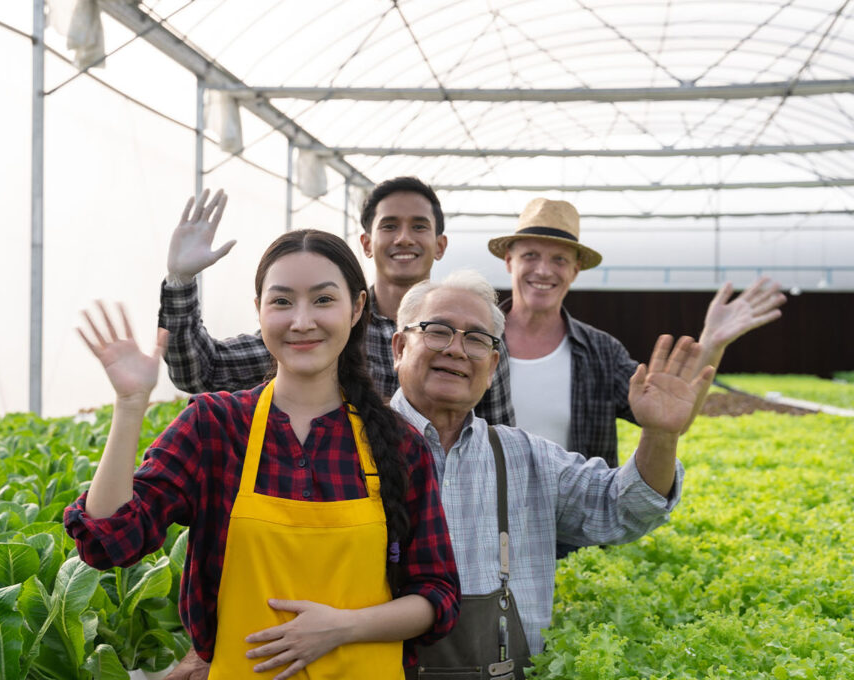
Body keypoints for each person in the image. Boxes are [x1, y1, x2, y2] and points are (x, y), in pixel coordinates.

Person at [65, 229, 459, 679]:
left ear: (357, 308)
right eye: (282, 301)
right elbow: (109, 542)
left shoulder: (399, 444)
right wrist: (130, 405)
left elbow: (438, 594)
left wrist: (343, 627)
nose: (302, 321)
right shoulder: (215, 427)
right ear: (259, 310)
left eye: (323, 300)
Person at [390, 270, 713, 679]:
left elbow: (624, 508)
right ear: (399, 347)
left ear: (491, 367)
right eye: (438, 331)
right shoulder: (351, 448)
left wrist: (661, 434)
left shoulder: (525, 456)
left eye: (476, 340)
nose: (456, 349)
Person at [159, 178, 515, 426]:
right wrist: (180, 280)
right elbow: (200, 370)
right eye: (389, 226)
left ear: (440, 245)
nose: (404, 238)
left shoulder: (471, 338)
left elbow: (495, 433)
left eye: (419, 227)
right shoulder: (326, 330)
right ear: (365, 242)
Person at [488, 197, 786, 468]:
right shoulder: (477, 342)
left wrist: (712, 342)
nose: (543, 270)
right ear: (509, 262)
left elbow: (671, 418)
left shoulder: (602, 352)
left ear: (575, 270)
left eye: (559, 260)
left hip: (572, 522)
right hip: (486, 517)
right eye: (530, 255)